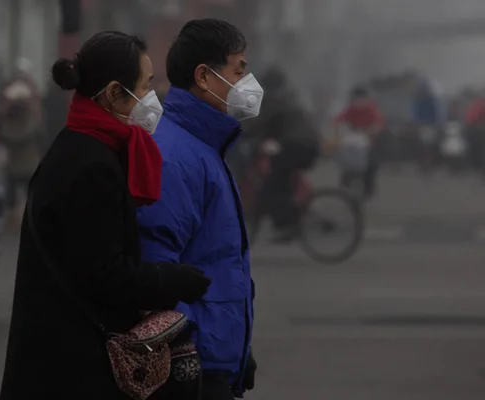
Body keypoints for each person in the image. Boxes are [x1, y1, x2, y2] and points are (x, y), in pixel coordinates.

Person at [0, 31, 212, 400]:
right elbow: (104, 274)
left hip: (60, 354)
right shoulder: (90, 166)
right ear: (115, 93)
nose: (153, 97)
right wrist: (171, 280)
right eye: (145, 86)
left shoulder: (82, 146)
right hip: (73, 366)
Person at [135, 19, 259, 400]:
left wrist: (238, 348)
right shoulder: (175, 155)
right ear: (204, 77)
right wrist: (183, 349)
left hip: (215, 354)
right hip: (191, 365)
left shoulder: (205, 147)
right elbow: (157, 266)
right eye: (239, 69)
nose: (248, 83)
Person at [241, 67, 319, 242]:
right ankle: (286, 223)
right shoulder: (287, 97)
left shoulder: (273, 100)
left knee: (269, 189)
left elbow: (258, 124)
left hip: (296, 146)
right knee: (278, 184)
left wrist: (239, 132)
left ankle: (290, 222)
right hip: (305, 146)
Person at [0, 59, 44, 229]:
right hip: (21, 155)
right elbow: (37, 126)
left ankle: (17, 217)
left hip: (19, 155)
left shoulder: (17, 95)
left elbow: (1, 121)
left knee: (17, 188)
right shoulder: (28, 96)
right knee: (19, 188)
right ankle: (20, 218)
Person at [332, 86, 385, 197]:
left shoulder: (372, 110)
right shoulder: (350, 110)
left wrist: (372, 131)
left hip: (369, 142)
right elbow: (338, 120)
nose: (359, 102)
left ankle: (368, 189)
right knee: (344, 160)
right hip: (352, 141)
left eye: (362, 99)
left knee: (371, 165)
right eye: (356, 99)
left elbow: (379, 123)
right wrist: (338, 128)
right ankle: (344, 184)